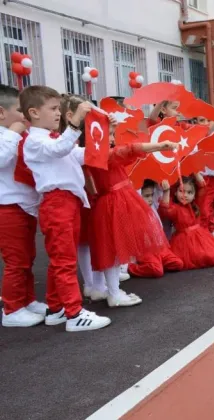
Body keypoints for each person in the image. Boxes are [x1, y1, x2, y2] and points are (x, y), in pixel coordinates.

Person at [20, 86, 111, 331]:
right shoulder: (35, 141)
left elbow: (78, 154)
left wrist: (104, 131)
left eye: (58, 108)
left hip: (68, 202)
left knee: (61, 259)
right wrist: (77, 122)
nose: (58, 113)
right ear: (34, 113)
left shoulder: (53, 139)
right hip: (57, 203)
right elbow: (60, 149)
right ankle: (74, 313)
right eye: (52, 109)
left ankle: (57, 307)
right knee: (64, 260)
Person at [86, 106, 178, 307]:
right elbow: (130, 149)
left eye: (111, 134)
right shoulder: (103, 156)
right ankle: (114, 293)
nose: (111, 138)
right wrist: (161, 145)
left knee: (112, 249)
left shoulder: (95, 156)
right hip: (116, 202)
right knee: (114, 249)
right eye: (107, 135)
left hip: (112, 201)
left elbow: (126, 151)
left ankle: (106, 289)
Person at [0, 84, 47, 327]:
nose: (23, 115)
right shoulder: (6, 136)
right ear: (1, 113)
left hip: (24, 206)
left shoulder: (16, 135)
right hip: (6, 208)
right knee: (16, 260)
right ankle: (12, 308)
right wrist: (13, 133)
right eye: (19, 110)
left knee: (27, 257)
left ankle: (26, 300)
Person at [159, 175, 214, 270]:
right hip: (183, 241)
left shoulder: (196, 204)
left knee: (211, 256)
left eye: (189, 192)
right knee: (194, 257)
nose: (185, 195)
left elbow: (203, 186)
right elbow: (165, 210)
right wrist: (166, 191)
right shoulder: (175, 208)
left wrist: (195, 172)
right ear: (175, 192)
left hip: (200, 237)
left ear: (195, 195)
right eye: (181, 191)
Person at [128, 180, 184, 278]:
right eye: (146, 196)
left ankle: (156, 263)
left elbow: (160, 190)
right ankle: (132, 268)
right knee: (157, 271)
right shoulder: (134, 212)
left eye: (151, 195)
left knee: (178, 263)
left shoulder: (153, 206)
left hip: (160, 248)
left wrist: (166, 190)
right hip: (146, 251)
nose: (150, 199)